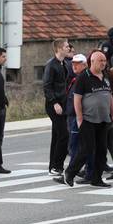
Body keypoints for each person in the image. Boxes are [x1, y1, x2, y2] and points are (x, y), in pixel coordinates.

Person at [54, 51, 113, 187]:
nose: (103, 63)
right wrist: (80, 117)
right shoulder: (84, 77)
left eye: (104, 61)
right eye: (100, 61)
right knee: (86, 149)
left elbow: (109, 96)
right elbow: (77, 98)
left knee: (101, 150)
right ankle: (69, 174)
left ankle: (96, 178)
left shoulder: (105, 76)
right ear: (92, 62)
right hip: (88, 119)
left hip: (104, 119)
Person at [43, 39, 70, 176]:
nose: (68, 48)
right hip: (54, 105)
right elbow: (47, 86)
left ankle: (52, 166)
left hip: (64, 104)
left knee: (57, 136)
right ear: (59, 49)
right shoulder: (51, 65)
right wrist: (54, 103)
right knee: (64, 134)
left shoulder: (64, 64)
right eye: (66, 46)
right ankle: (57, 166)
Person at [65, 54, 87, 169]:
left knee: (75, 145)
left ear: (84, 64)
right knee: (75, 145)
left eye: (77, 63)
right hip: (71, 115)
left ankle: (72, 170)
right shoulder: (75, 78)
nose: (74, 66)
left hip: (77, 116)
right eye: (73, 63)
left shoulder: (83, 78)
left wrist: (79, 117)